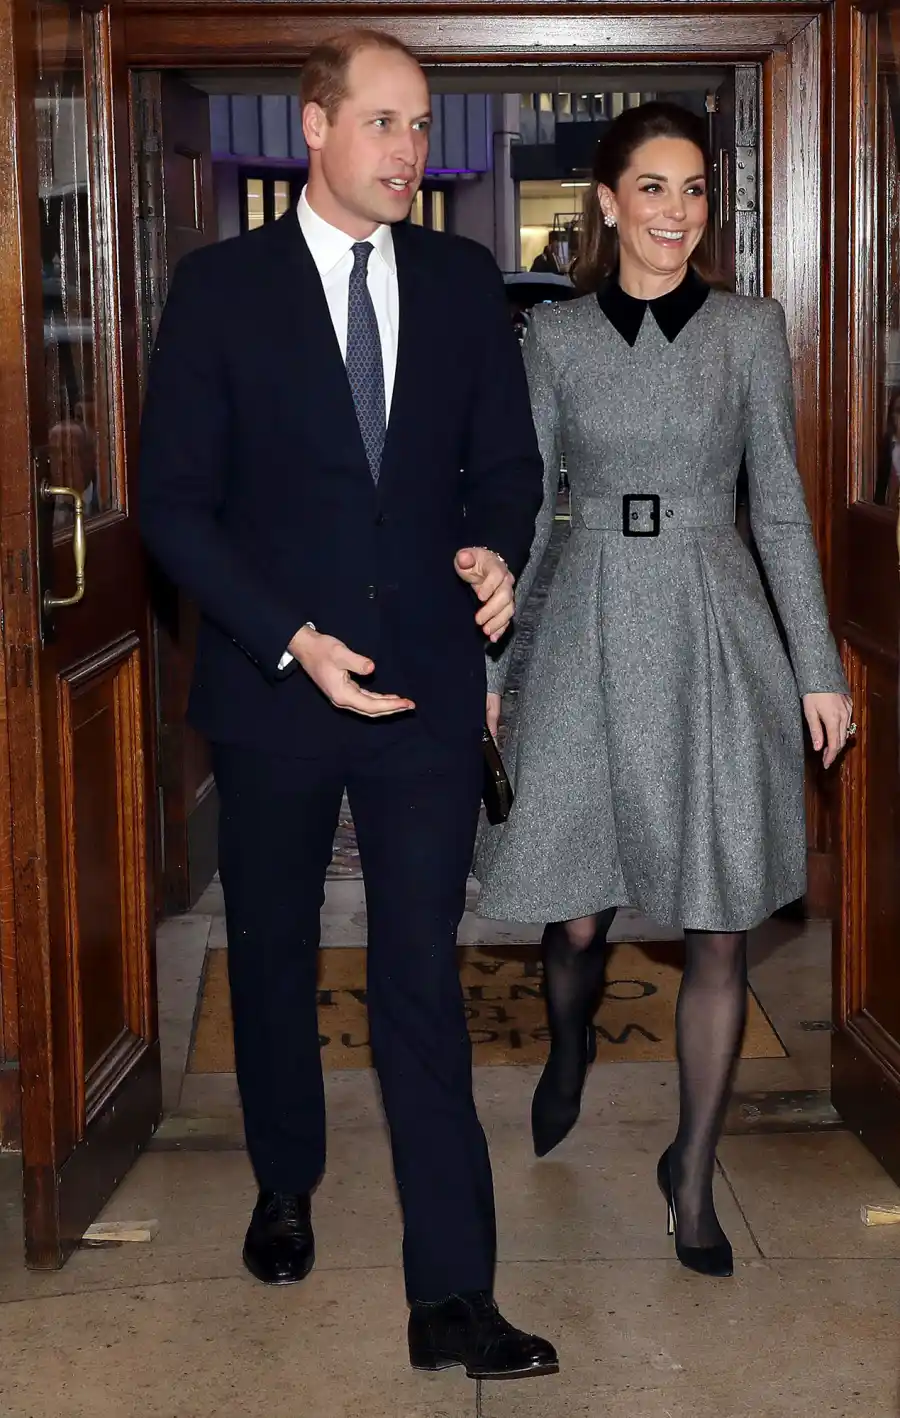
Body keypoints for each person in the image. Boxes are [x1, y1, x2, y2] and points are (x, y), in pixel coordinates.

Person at [139, 27, 558, 1383]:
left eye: (422, 127)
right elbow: (177, 508)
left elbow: (506, 462)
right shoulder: (221, 289)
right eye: (383, 123)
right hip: (276, 691)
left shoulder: (456, 277)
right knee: (269, 956)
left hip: (428, 686)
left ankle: (454, 1292)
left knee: (421, 977)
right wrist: (288, 640)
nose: (409, 151)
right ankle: (286, 1179)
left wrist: (497, 547)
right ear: (315, 126)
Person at [476, 101, 853, 1279]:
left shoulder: (750, 330)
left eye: (693, 191)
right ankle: (571, 1039)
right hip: (584, 616)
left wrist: (819, 666)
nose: (675, 213)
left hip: (711, 622)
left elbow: (781, 507)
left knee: (718, 920)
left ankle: (689, 1173)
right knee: (578, 912)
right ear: (606, 202)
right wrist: (491, 668)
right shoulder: (559, 338)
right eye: (652, 188)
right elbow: (531, 511)